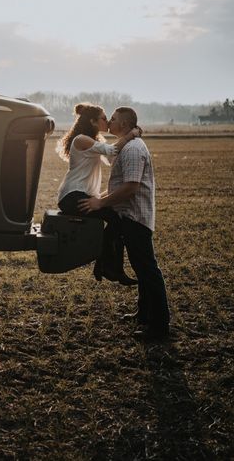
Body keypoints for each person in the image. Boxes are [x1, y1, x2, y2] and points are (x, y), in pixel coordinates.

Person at [79, 107, 170, 342]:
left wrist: (101, 204)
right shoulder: (125, 146)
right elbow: (111, 158)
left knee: (147, 270)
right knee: (142, 268)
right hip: (130, 216)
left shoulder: (133, 149)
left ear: (126, 123)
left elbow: (131, 187)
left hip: (135, 217)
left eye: (114, 119)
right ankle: (144, 315)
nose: (109, 121)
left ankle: (159, 327)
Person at [56, 103, 139, 285]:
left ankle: (108, 266)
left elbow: (110, 159)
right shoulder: (82, 139)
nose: (107, 121)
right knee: (116, 219)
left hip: (81, 194)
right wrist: (130, 135)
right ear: (93, 121)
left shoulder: (94, 141)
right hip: (72, 196)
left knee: (116, 220)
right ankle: (108, 267)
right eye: (103, 118)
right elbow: (112, 151)